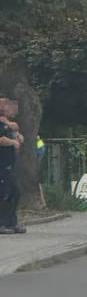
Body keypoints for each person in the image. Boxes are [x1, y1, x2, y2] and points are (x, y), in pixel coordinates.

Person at [0, 98, 25, 234]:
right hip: (1, 165)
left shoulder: (7, 124)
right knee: (3, 194)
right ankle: (2, 223)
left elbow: (12, 134)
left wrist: (18, 136)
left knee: (15, 192)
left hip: (10, 164)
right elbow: (2, 139)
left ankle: (11, 222)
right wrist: (12, 142)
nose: (10, 107)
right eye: (6, 105)